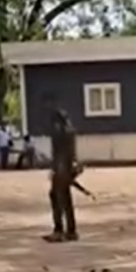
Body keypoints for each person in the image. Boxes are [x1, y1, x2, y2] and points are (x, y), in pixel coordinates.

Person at [43, 96, 80, 242]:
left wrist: (55, 168)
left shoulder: (58, 129)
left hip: (61, 166)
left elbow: (58, 150)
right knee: (65, 197)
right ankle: (71, 230)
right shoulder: (69, 129)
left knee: (56, 196)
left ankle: (59, 230)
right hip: (67, 165)